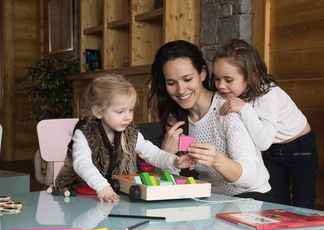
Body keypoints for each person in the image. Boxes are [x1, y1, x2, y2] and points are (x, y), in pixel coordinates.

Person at [149, 40, 271, 200]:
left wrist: (216, 160)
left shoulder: (227, 112)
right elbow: (167, 184)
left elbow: (250, 179)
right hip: (208, 201)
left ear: (203, 74)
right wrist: (165, 155)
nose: (180, 90)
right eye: (171, 83)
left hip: (250, 199)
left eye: (187, 79)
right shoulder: (176, 119)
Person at [211, 39, 318, 208]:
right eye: (217, 79)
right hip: (272, 150)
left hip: (299, 147)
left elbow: (263, 142)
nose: (221, 86)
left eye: (228, 80)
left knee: (303, 203)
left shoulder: (268, 94)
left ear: (250, 76)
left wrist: (244, 109)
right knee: (277, 203)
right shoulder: (233, 93)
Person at [55, 74, 192, 202]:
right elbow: (82, 163)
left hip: (115, 194)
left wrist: (174, 161)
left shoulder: (130, 131)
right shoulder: (84, 132)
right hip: (78, 195)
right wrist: (102, 187)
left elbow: (152, 153)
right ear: (98, 111)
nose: (128, 117)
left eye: (131, 110)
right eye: (120, 111)